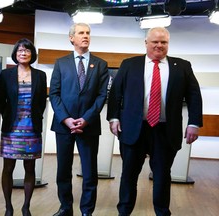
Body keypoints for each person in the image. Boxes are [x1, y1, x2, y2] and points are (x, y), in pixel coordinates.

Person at [107, 27, 203, 216]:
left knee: (162, 176)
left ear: (168, 44)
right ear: (146, 43)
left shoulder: (182, 66)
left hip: (165, 130)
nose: (159, 45)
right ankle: (124, 212)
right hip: (134, 129)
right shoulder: (129, 64)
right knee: (128, 175)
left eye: (164, 42)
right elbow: (115, 94)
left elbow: (194, 96)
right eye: (155, 42)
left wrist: (194, 123)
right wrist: (114, 117)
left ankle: (162, 212)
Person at [49, 23, 109, 216]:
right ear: (71, 38)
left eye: (88, 33)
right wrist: (66, 119)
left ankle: (87, 211)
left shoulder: (100, 64)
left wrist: (86, 119)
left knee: (90, 172)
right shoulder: (61, 63)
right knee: (63, 171)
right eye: (81, 33)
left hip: (88, 126)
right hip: (63, 126)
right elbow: (55, 94)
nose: (85, 36)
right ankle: (66, 208)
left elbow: (101, 96)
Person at [0, 38, 47, 216]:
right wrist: (4, 115)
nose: (23, 53)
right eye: (20, 51)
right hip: (12, 128)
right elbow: (0, 98)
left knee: (30, 168)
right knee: (8, 168)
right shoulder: (6, 75)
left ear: (32, 54)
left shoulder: (40, 75)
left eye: (26, 50)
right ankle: (8, 207)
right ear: (15, 54)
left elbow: (41, 102)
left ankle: (26, 206)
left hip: (31, 129)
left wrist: (33, 117)